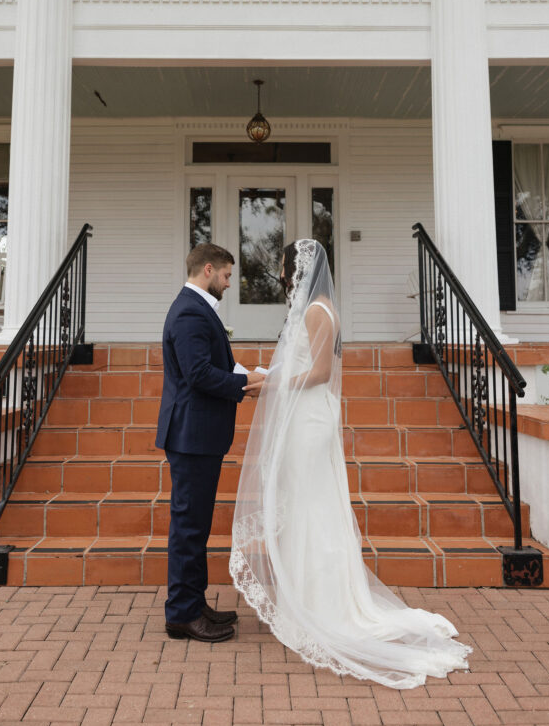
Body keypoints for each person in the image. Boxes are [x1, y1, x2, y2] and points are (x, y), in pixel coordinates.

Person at [229, 238, 473, 688]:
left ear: (298, 267)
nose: (282, 275)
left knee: (311, 506)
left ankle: (325, 608)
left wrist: (271, 384)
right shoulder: (314, 307)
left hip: (309, 418)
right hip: (305, 414)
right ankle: (306, 600)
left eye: (285, 267)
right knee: (306, 504)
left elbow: (320, 372)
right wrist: (271, 375)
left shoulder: (317, 310)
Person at [157, 242, 264, 642]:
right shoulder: (188, 311)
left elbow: (214, 365)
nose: (229, 283)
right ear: (207, 270)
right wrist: (246, 384)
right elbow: (198, 374)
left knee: (196, 525)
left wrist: (250, 376)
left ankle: (193, 603)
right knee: (188, 526)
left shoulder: (196, 308)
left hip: (199, 435)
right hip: (191, 436)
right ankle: (181, 615)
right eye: (226, 275)